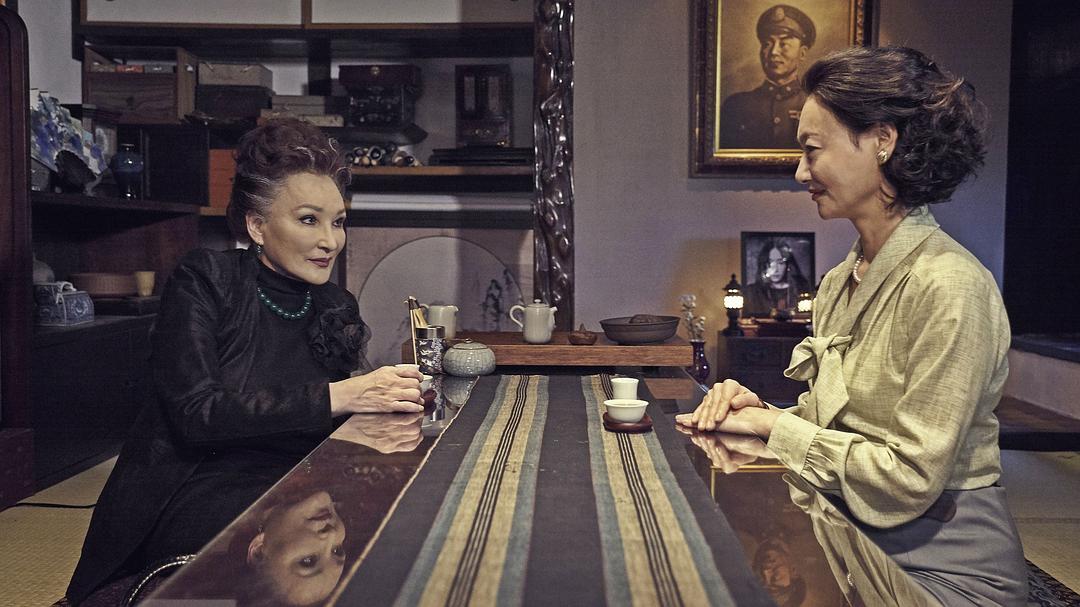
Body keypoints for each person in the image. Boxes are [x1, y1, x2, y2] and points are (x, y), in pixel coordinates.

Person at [678, 47, 1028, 604]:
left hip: (943, 572)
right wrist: (758, 413)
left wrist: (774, 427)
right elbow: (843, 429)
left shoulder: (951, 285)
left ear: (882, 141)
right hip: (851, 539)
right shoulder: (844, 279)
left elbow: (908, 478)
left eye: (812, 150)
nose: (801, 172)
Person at [66, 118, 426, 605]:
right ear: (257, 226)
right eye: (309, 220)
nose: (330, 240)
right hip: (198, 482)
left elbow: (330, 419)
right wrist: (341, 396)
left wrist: (389, 405)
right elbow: (197, 414)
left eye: (338, 221)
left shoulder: (334, 304)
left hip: (298, 479)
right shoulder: (206, 279)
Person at [719, 4, 815, 149]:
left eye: (784, 44)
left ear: (802, 53)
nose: (773, 52)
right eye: (767, 44)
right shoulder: (735, 106)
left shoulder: (817, 105)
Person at [743, 239, 811, 316]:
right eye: (770, 262)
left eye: (780, 263)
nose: (775, 269)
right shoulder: (752, 292)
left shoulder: (802, 288)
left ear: (788, 265)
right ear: (764, 264)